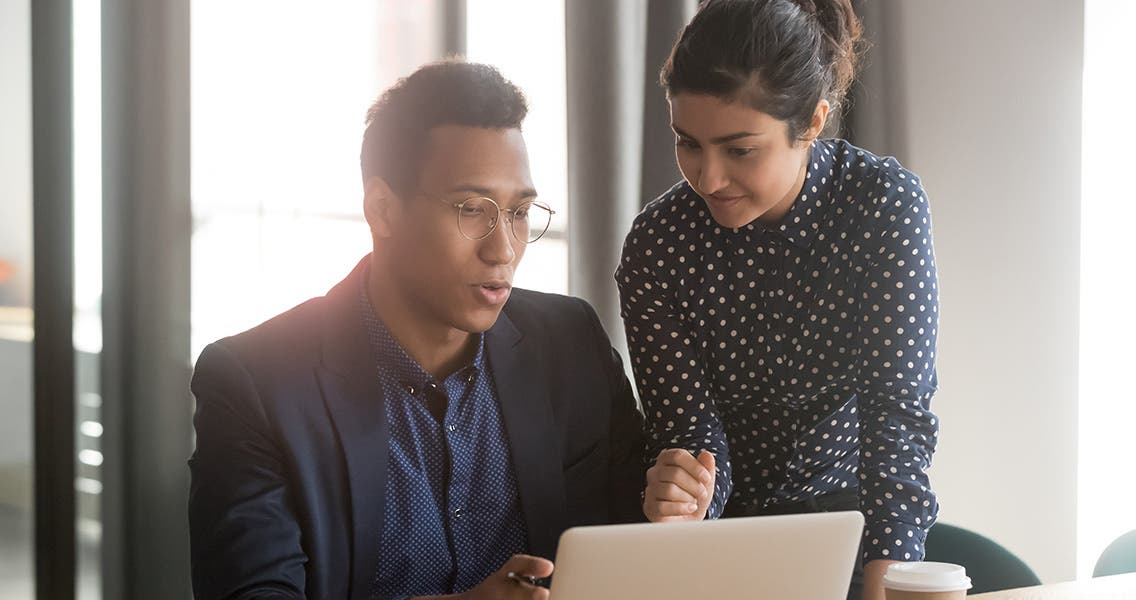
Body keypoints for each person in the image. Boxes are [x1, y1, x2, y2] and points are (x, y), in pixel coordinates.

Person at [189, 61, 646, 600]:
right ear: (382, 209)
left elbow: (636, 546)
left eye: (519, 212)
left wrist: (674, 502)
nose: (503, 250)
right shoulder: (257, 384)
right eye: (472, 209)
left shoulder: (570, 344)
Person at [616, 1, 940, 599]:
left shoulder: (881, 208)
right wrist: (687, 493)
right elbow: (687, 429)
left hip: (851, 520)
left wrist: (884, 584)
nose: (707, 178)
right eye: (688, 143)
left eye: (739, 150)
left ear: (812, 122)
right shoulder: (659, 245)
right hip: (719, 535)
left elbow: (896, 421)